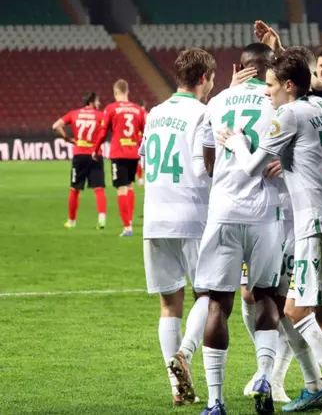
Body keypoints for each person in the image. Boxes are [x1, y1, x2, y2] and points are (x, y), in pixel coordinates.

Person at [221, 53, 322, 415]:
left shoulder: (290, 114)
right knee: (294, 309)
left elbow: (251, 167)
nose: (267, 93)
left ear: (289, 86)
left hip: (318, 225)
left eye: (271, 86)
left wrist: (236, 143)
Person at [194, 43, 283, 415]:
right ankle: (264, 375)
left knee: (218, 302)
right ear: (270, 68)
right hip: (265, 213)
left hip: (224, 211)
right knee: (266, 296)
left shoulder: (217, 102)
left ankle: (215, 401)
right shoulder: (278, 102)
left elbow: (209, 164)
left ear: (239, 67)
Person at [139, 48, 216, 406]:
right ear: (202, 78)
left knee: (169, 304)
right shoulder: (203, 113)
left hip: (155, 216)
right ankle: (184, 352)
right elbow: (204, 167)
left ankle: (178, 390)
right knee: (209, 294)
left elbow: (144, 159)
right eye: (212, 79)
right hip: (192, 214)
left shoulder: (155, 113)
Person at [93, 79, 147, 236]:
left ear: (115, 92)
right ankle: (129, 222)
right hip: (134, 153)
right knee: (129, 186)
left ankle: (127, 227)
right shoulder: (138, 110)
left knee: (121, 189)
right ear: (127, 91)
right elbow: (146, 133)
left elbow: (103, 132)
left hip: (119, 153)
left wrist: (95, 149)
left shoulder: (111, 108)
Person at [52, 91, 107, 229]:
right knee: (99, 188)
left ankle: (71, 221)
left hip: (80, 154)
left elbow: (56, 126)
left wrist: (67, 139)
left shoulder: (74, 113)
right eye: (97, 101)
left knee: (74, 189)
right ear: (92, 102)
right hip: (95, 154)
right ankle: (102, 220)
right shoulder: (100, 115)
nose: (99, 103)